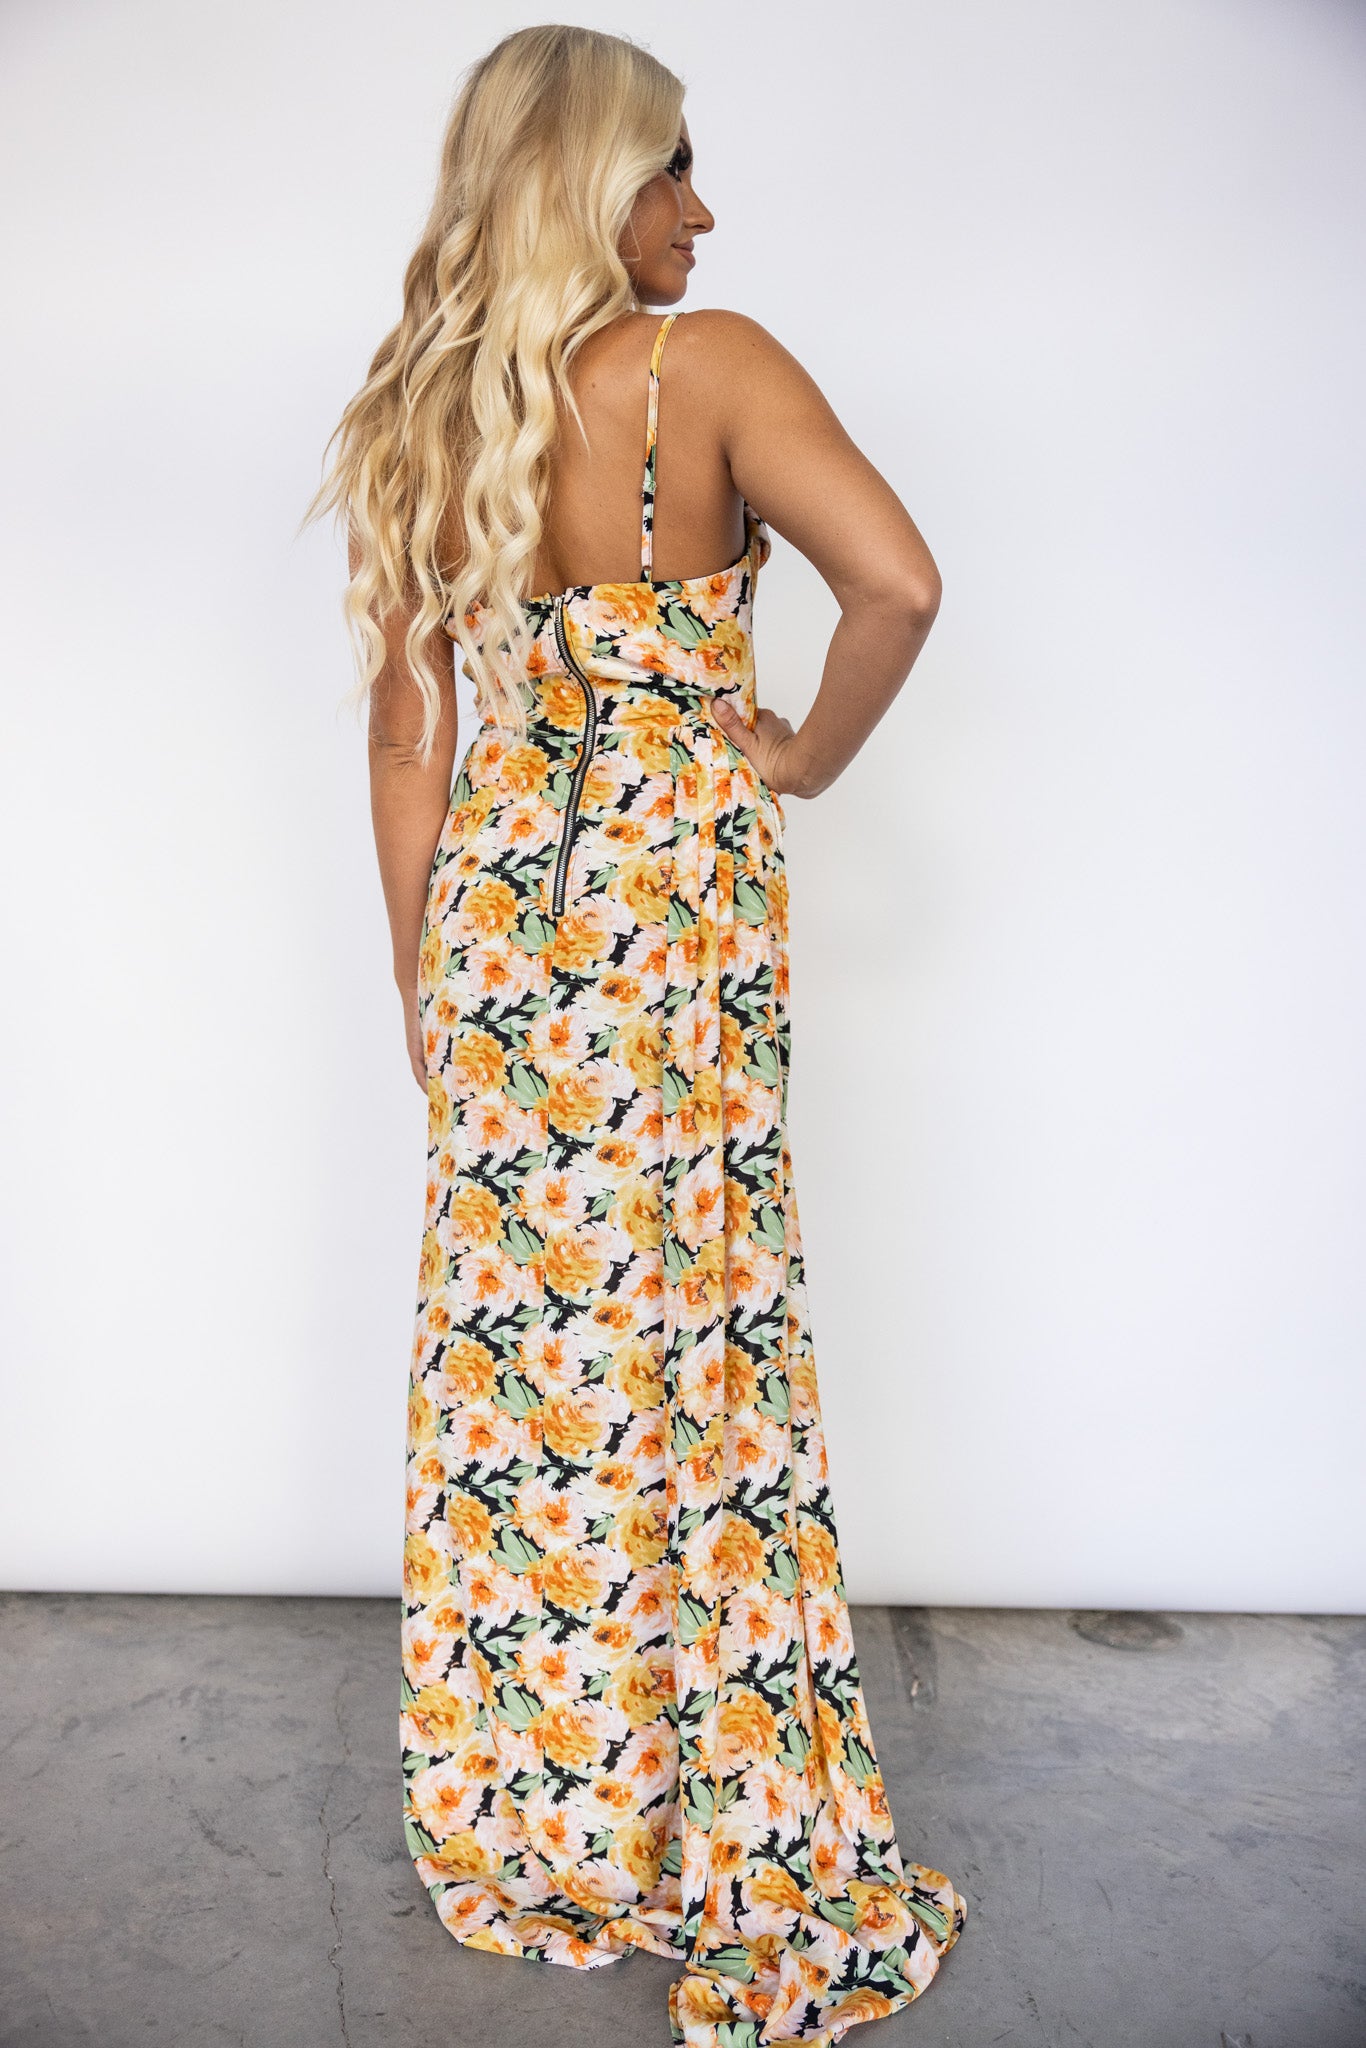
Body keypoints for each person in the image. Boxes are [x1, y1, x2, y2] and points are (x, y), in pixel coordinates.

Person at [308, 23, 966, 2045]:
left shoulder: (426, 400)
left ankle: (555, 1820)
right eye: (669, 166)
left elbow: (407, 732)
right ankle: (718, 1812)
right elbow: (896, 585)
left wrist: (422, 978)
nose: (702, 208)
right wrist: (799, 758)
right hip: (677, 906)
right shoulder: (709, 368)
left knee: (531, 1373)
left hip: (502, 914)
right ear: (586, 182)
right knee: (697, 1337)